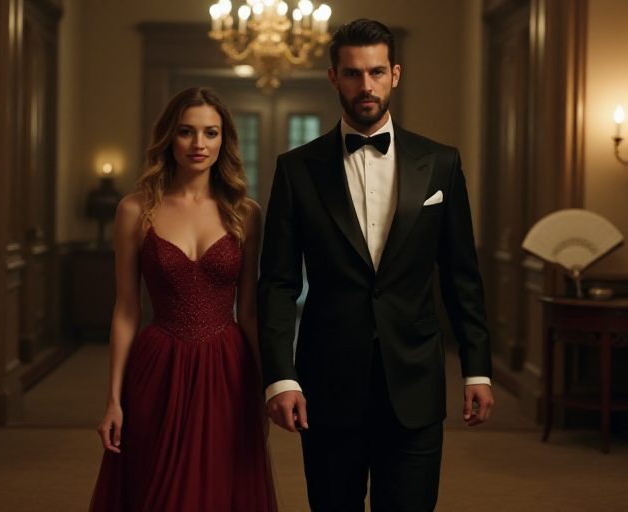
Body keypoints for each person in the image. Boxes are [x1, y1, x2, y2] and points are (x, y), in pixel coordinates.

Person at [257, 18, 496, 512]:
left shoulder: (441, 163)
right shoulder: (296, 169)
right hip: (326, 383)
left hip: (415, 384)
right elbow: (278, 283)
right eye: (352, 73)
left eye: (376, 72)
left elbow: (461, 276)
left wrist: (477, 369)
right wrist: (281, 376)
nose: (365, 86)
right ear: (333, 77)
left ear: (395, 74)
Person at [90, 86, 276, 512]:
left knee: (220, 484)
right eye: (186, 132)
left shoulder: (246, 212)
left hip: (228, 367)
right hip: (159, 364)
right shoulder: (135, 210)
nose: (198, 144)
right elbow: (126, 309)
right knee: (157, 486)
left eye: (210, 133)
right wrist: (113, 400)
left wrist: (268, 384)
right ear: (168, 139)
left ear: (223, 140)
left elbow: (248, 311)